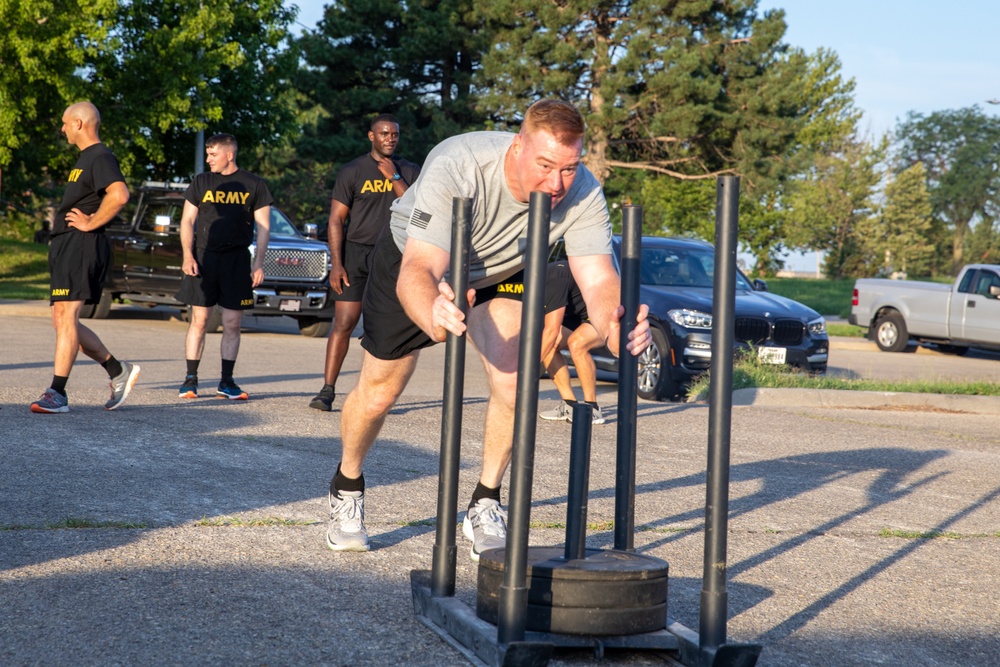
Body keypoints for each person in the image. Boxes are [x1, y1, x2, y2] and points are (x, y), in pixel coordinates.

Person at [325, 99, 652, 558]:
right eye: (544, 166)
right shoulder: (459, 164)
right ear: (517, 146)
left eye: (568, 168)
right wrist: (433, 313)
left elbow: (599, 280)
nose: (555, 183)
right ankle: (348, 485)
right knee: (379, 392)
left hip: (499, 271)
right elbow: (419, 269)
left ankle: (485, 501)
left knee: (515, 379)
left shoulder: (582, 190)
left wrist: (616, 326)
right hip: (414, 259)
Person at [31, 101, 140, 414]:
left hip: (83, 243)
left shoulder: (101, 156)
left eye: (65, 123)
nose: (62, 129)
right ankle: (118, 370)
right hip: (68, 244)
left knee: (67, 318)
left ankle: (57, 393)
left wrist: (92, 222)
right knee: (62, 320)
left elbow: (119, 194)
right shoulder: (85, 159)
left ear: (79, 123)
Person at [309, 114, 420, 411]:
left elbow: (415, 210)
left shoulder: (409, 169)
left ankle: (376, 394)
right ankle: (327, 390)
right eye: (384, 133)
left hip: (394, 254)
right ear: (372, 136)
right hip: (356, 255)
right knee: (344, 322)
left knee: (383, 329)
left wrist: (395, 177)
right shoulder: (352, 171)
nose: (390, 138)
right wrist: (337, 263)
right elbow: (335, 220)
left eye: (394, 134)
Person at [175, 133, 272, 400]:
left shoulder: (254, 184)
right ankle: (190, 380)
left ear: (229, 154)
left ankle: (226, 382)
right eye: (207, 154)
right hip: (204, 258)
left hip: (237, 260)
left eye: (213, 154)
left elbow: (264, 227)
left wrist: (258, 263)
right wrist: (187, 256)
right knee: (200, 319)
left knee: (232, 322)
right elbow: (187, 221)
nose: (208, 160)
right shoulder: (202, 182)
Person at [538, 261, 607, 424]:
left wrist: (527, 370)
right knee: (548, 344)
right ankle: (569, 404)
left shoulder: (554, 278)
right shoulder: (527, 283)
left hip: (604, 312)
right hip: (580, 314)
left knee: (577, 344)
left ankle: (592, 408)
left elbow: (552, 330)